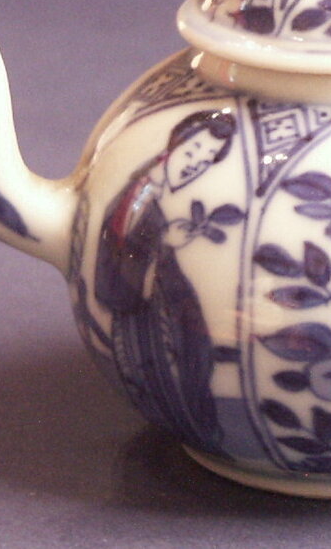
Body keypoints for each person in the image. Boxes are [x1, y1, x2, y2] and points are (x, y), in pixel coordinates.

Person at [94, 110, 237, 456]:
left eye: (205, 161)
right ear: (176, 143)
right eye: (193, 151)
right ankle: (195, 422)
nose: (195, 165)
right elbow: (118, 243)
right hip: (141, 300)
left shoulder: (165, 191)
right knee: (165, 361)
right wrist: (159, 245)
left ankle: (201, 422)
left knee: (195, 355)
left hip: (165, 290)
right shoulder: (142, 189)